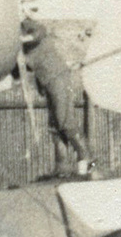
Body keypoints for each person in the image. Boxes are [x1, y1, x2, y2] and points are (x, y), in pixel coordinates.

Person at [22, 19, 93, 175]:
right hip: (48, 81)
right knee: (54, 126)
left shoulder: (26, 24)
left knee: (65, 121)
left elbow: (40, 31)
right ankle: (61, 165)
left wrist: (18, 40)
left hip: (57, 77)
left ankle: (87, 161)